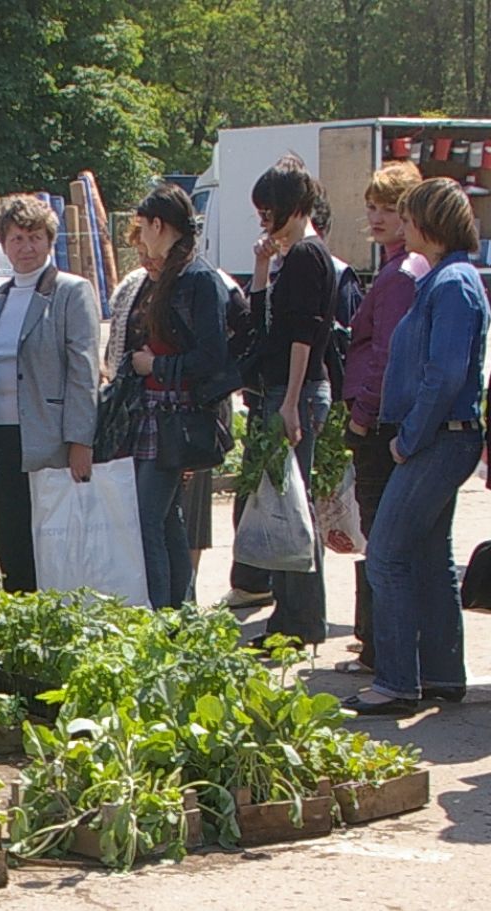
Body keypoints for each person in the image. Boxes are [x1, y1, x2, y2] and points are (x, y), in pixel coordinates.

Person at [345, 178, 489, 715]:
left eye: (407, 219)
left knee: (385, 554)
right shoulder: (446, 279)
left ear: (429, 224)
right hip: (441, 438)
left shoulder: (451, 284)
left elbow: (445, 374)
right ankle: (443, 676)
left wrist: (407, 438)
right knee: (429, 556)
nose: (400, 228)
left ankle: (398, 681)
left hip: (437, 439)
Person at [237, 158, 339, 646]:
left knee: (293, 510)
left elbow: (302, 335)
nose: (264, 221)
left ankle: (300, 621)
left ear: (293, 207)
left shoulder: (306, 256)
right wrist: (260, 267)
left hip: (293, 392)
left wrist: (292, 402)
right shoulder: (290, 256)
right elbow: (263, 321)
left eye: (268, 211)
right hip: (282, 391)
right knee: (286, 504)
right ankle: (291, 617)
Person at [126, 184, 238, 610]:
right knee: (168, 518)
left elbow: (212, 357)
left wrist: (155, 366)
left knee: (147, 520)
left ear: (159, 225)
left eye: (144, 226)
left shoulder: (197, 277)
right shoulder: (176, 273)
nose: (142, 236)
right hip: (159, 412)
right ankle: (180, 613)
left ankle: (160, 614)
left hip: (179, 415)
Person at [0, 195, 100, 593]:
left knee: (53, 539)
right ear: (3, 244)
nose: (25, 247)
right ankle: (18, 617)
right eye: (16, 238)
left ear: (50, 241)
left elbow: (84, 372)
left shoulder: (71, 291)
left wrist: (80, 439)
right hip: (1, 437)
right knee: (11, 538)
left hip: (49, 438)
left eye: (34, 237)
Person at [336, 161, 428, 676]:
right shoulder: (399, 268)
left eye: (388, 209)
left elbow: (388, 354)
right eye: (372, 206)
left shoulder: (401, 274)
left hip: (378, 420)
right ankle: (380, 645)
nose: (376, 216)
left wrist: (363, 415)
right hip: (382, 416)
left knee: (383, 538)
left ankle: (381, 651)